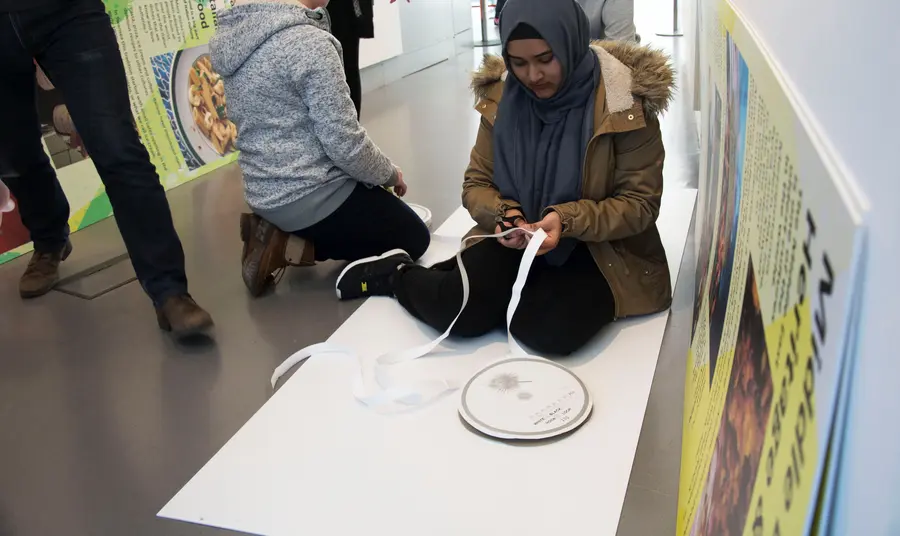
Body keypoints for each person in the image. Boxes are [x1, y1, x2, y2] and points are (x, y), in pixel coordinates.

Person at [335, 0, 675, 356]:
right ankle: (396, 274)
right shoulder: (504, 97)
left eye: (546, 59)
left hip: (599, 247)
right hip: (518, 236)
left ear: (570, 42)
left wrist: (566, 219)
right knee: (458, 312)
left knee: (550, 333)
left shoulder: (625, 103)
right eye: (519, 63)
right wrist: (504, 215)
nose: (533, 76)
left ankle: (510, 289)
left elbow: (639, 203)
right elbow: (476, 184)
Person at [0, 0, 214, 338]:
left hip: (66, 12)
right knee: (13, 156)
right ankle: (49, 239)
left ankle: (169, 291)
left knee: (117, 147)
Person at [211, 0, 430, 297]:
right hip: (310, 197)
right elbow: (346, 146)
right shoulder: (309, 44)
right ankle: (286, 245)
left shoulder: (237, 34)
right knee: (415, 237)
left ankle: (277, 229)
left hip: (262, 193)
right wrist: (390, 174)